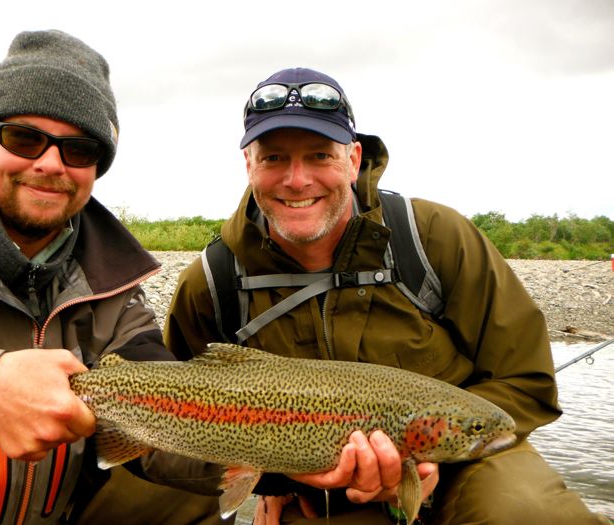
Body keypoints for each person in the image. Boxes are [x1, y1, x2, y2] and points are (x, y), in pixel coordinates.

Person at [165, 67, 609, 524]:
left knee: (527, 512)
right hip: (316, 488)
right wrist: (273, 477)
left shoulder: (434, 238)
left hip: (468, 465)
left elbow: (525, 382)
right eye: (274, 158)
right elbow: (176, 426)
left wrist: (433, 461)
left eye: (320, 156)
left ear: (353, 159)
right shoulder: (213, 281)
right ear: (249, 165)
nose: (297, 180)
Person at [0, 29, 226, 525]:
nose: (50, 163)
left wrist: (294, 462)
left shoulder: (114, 279)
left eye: (79, 150)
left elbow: (168, 414)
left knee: (191, 500)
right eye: (24, 138)